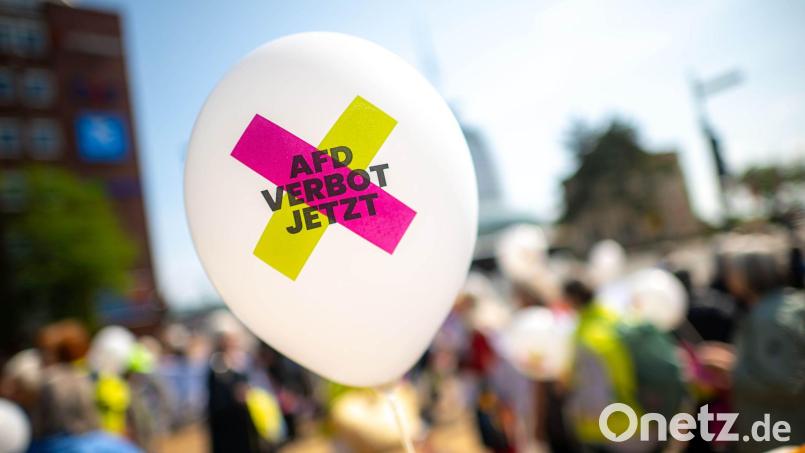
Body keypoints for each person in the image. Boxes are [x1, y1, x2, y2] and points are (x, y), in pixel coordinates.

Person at [726, 249, 805, 452]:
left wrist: (731, 370)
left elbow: (784, 381)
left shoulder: (768, 319)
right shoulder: (788, 303)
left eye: (734, 270)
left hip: (781, 435)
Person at [562, 279, 646, 453]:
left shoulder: (587, 335)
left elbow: (594, 393)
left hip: (608, 429)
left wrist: (573, 413)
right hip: (634, 419)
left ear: (572, 299)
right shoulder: (613, 320)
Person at [207, 323, 260, 453]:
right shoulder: (218, 361)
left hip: (240, 415)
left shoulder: (240, 358)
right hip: (226, 417)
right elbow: (220, 390)